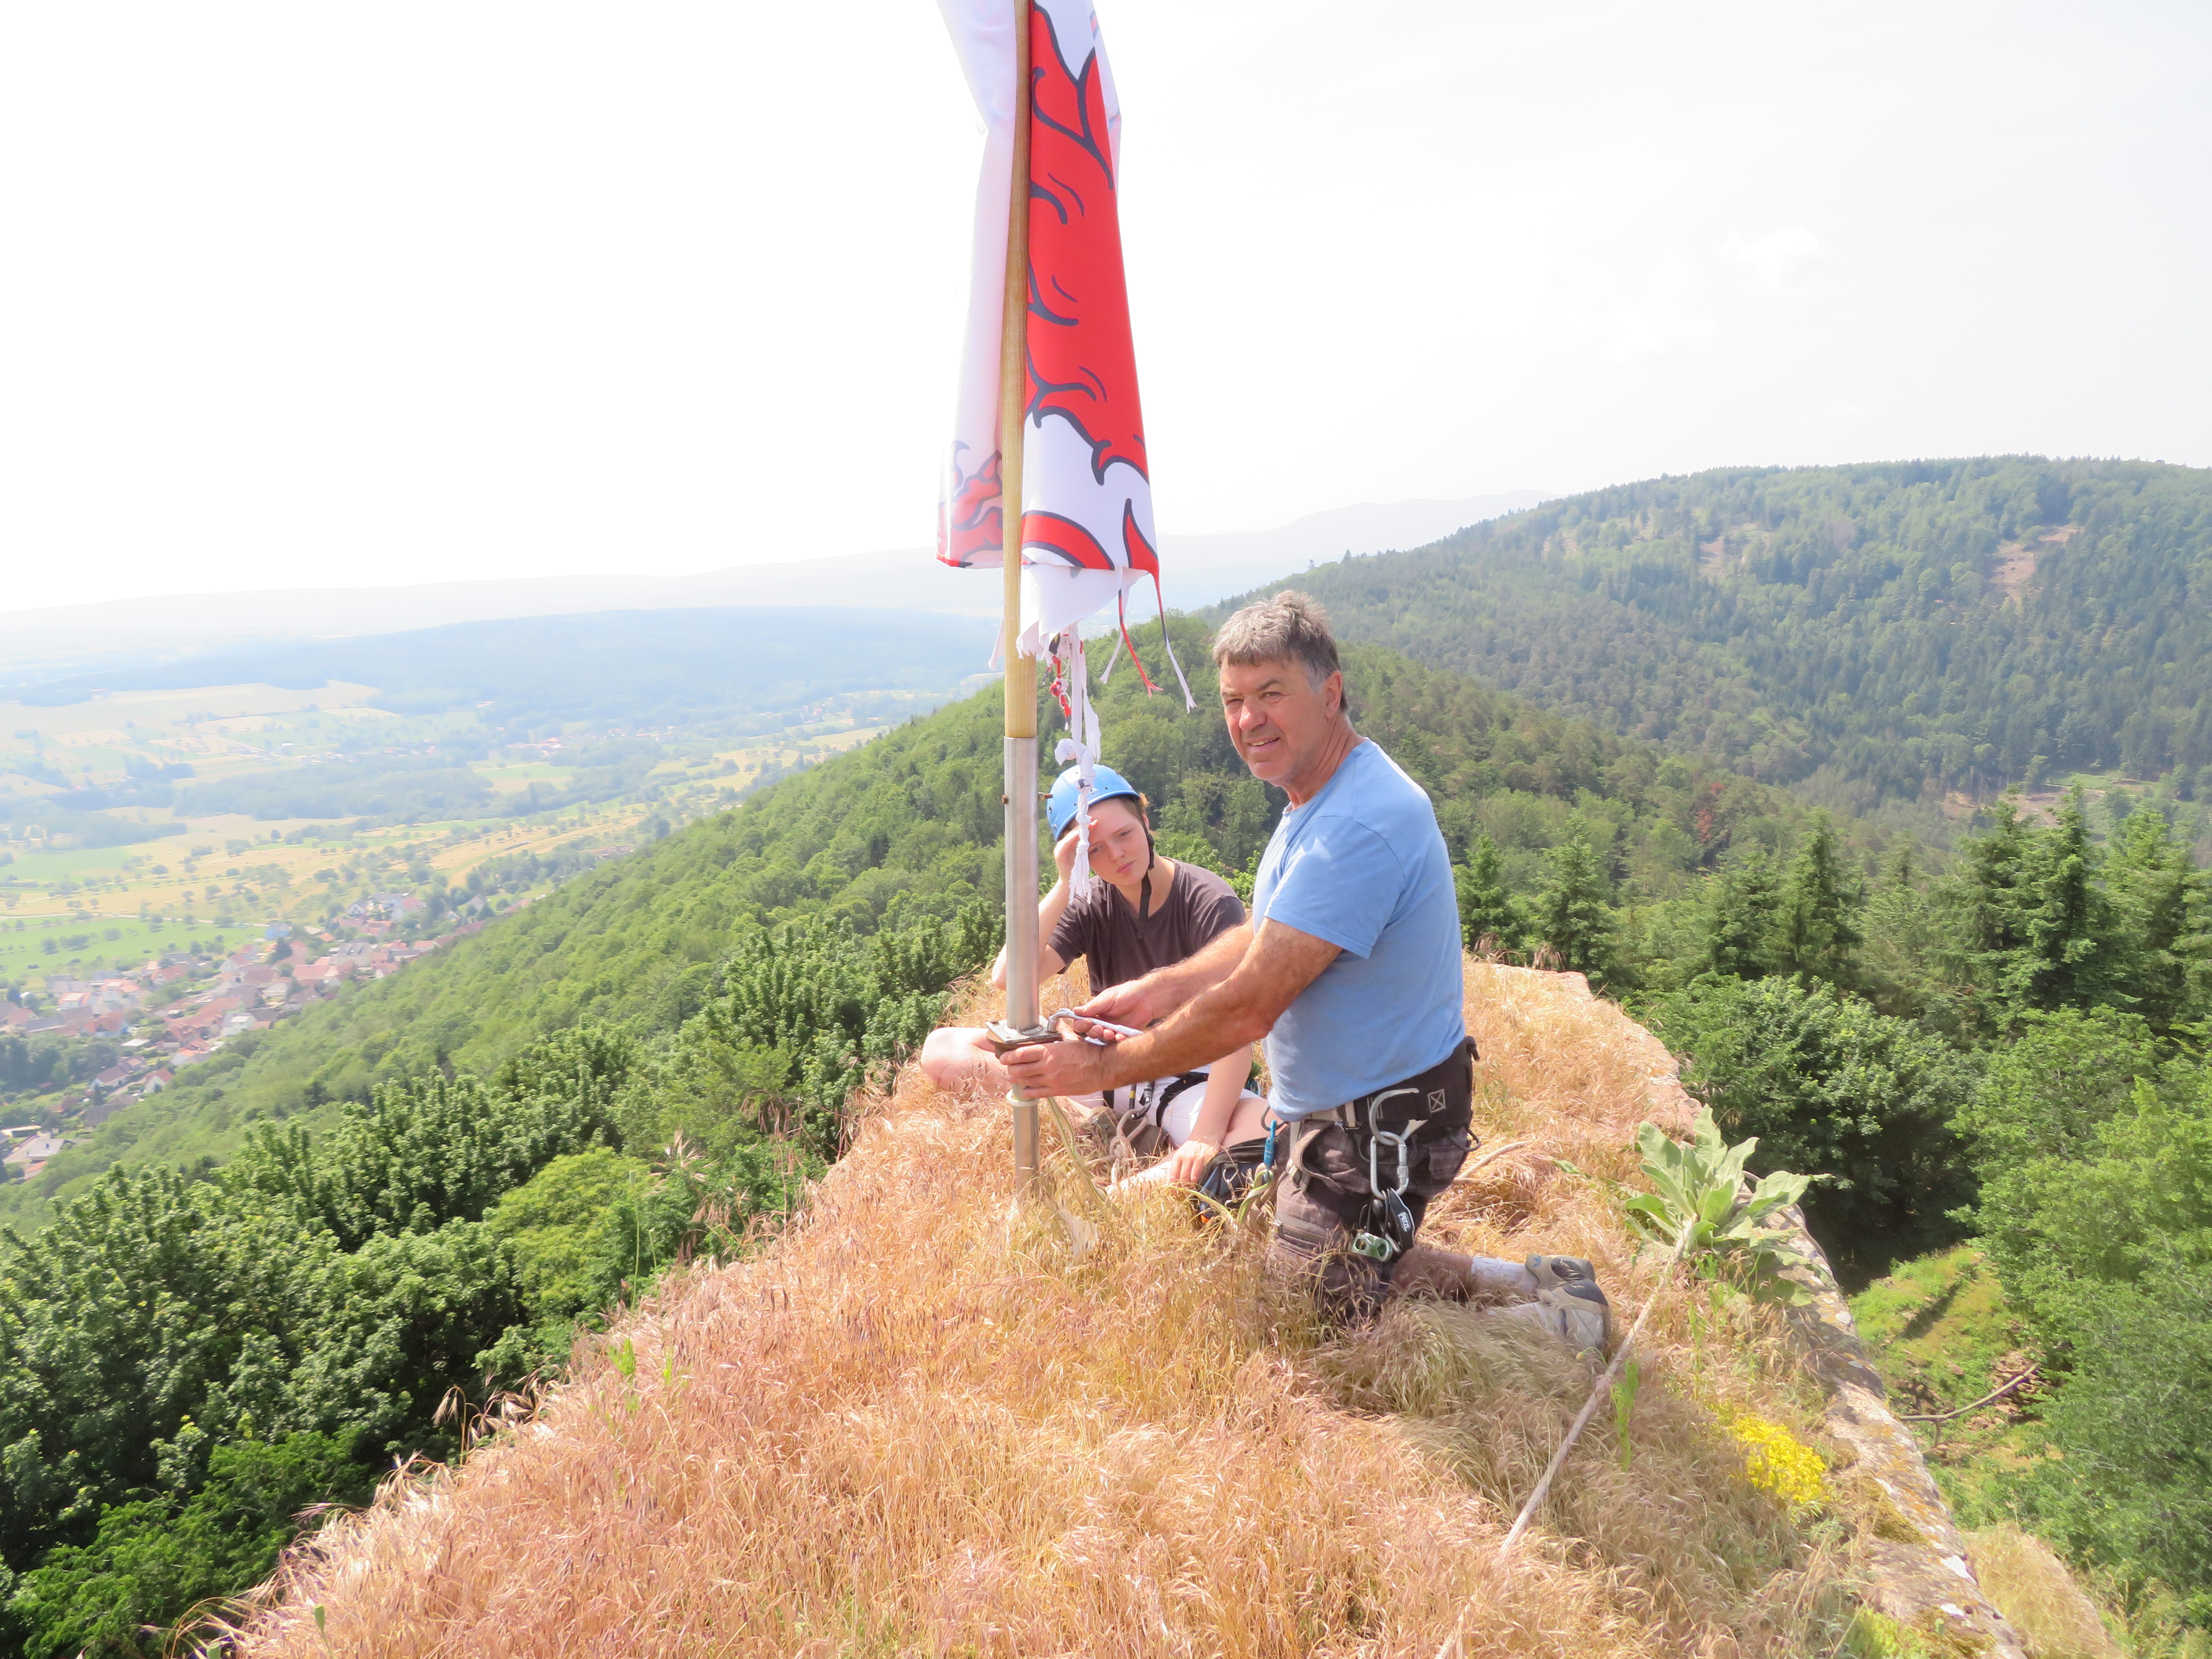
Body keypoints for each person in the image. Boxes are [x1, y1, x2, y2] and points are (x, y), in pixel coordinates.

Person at [1003, 592, 1611, 1348]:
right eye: (1233, 701)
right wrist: (1161, 989)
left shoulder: (1353, 824)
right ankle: (1527, 1279)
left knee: (1310, 1318)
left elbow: (1248, 1009)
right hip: (1343, 1107)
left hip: (1384, 1121)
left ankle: (1559, 1326)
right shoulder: (1321, 793)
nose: (1248, 720)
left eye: (1271, 694)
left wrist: (1099, 1066)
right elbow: (1272, 936)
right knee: (1326, 1252)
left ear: (1330, 693)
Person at [919, 763, 1273, 1189]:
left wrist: (1206, 1135)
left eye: (1124, 834)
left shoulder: (1207, 900)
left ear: (1145, 822)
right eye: (1096, 849)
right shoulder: (1091, 901)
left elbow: (1233, 1025)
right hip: (1103, 1069)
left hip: (1188, 1075)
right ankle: (1099, 1130)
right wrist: (1065, 883)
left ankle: (1118, 1196)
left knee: (1265, 1127)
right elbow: (1008, 977)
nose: (1118, 854)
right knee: (943, 1049)